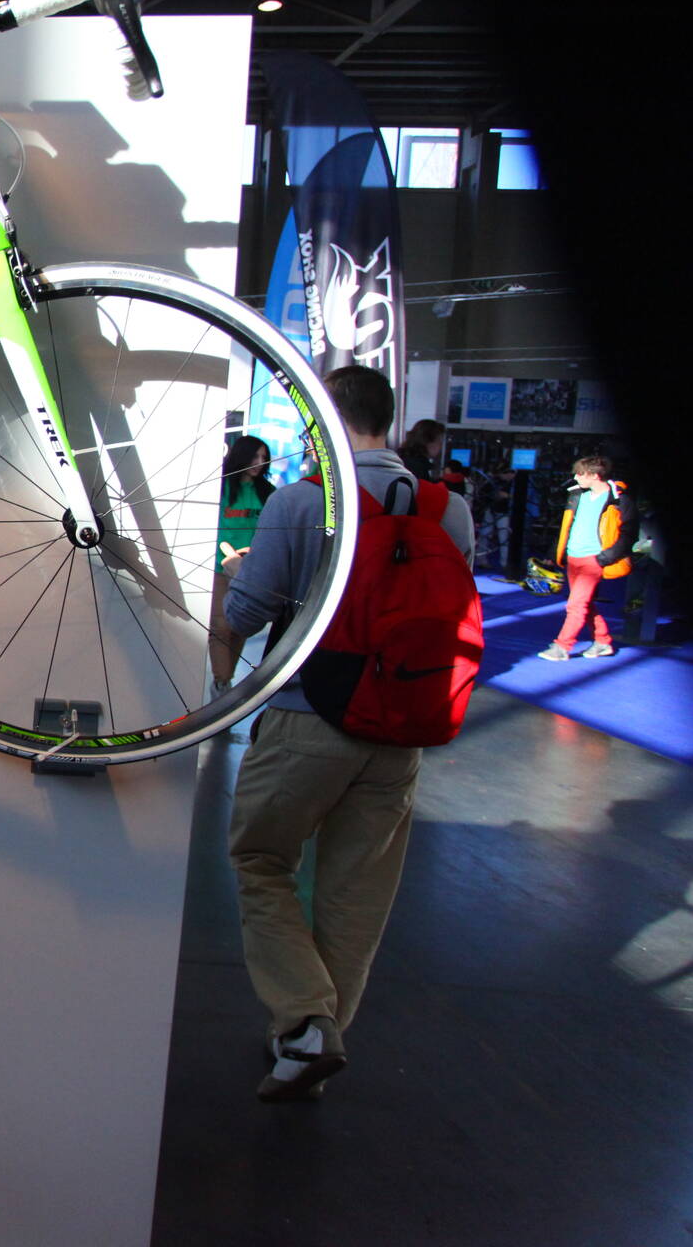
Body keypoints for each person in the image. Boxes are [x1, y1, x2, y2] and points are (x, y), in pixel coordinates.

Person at [221, 365, 474, 1103]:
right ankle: (310, 1045)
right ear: (388, 418)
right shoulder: (448, 509)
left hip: (308, 718)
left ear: (323, 417)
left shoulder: (303, 501)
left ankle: (304, 1023)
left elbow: (246, 613)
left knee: (261, 859)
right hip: (401, 728)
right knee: (358, 895)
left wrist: (240, 571)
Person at [537, 455, 637, 661]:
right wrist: (554, 554)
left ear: (595, 475)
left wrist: (605, 557)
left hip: (594, 559)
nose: (576, 477)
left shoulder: (620, 500)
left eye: (580, 473)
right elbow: (567, 527)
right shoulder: (577, 495)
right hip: (573, 557)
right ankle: (602, 641)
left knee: (575, 605)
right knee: (585, 603)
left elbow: (629, 534)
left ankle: (562, 646)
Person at [209, 435, 274, 697]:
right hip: (218, 566)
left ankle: (226, 680)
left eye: (263, 457)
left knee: (240, 626)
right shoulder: (220, 488)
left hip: (250, 568)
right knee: (220, 626)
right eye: (254, 456)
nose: (259, 462)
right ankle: (221, 682)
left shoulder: (268, 492)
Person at [399, 418, 447, 483]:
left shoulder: (406, 460)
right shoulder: (417, 467)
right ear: (428, 441)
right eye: (439, 441)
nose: (441, 446)